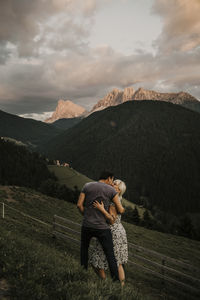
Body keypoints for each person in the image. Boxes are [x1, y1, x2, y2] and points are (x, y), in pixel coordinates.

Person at [77, 171, 125, 281]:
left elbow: (79, 205)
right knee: (110, 255)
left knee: (84, 249)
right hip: (102, 228)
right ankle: (116, 282)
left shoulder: (87, 186)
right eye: (112, 180)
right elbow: (120, 210)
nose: (112, 183)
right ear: (109, 178)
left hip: (87, 225)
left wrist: (87, 215)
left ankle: (82, 274)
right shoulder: (111, 190)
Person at [89, 179, 128, 286]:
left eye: (115, 184)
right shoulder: (117, 199)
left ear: (118, 190)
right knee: (118, 262)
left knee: (95, 260)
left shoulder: (112, 201)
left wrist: (101, 209)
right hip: (119, 232)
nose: (112, 183)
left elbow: (111, 220)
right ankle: (120, 290)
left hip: (111, 232)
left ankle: (105, 284)